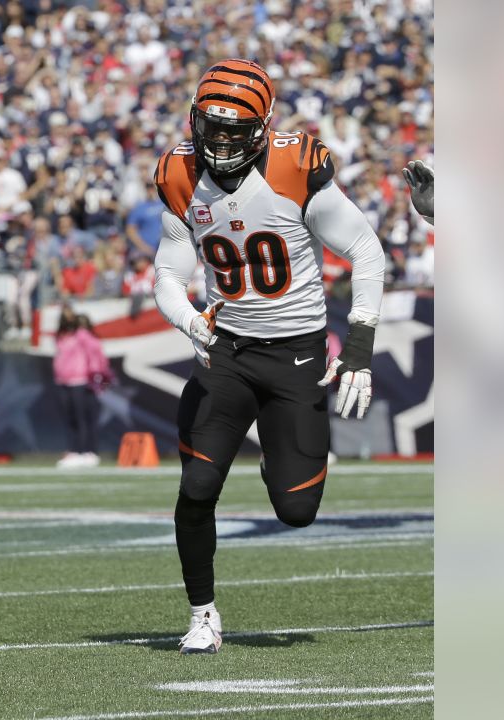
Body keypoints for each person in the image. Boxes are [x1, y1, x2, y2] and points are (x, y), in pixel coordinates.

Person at [151, 59, 387, 654]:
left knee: (297, 509)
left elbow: (364, 248)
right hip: (225, 352)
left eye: (237, 129)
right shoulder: (179, 173)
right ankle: (202, 613)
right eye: (214, 126)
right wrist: (187, 320)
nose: (223, 140)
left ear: (263, 128)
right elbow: (168, 272)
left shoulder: (293, 165)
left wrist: (358, 346)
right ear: (195, 120)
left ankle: (276, 457)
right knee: (198, 483)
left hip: (297, 356)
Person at [53, 307, 112, 468]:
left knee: (82, 418)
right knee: (69, 418)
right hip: (63, 380)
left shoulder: (81, 334)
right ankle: (73, 451)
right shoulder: (61, 336)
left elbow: (95, 349)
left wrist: (97, 372)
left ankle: (87, 451)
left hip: (79, 379)